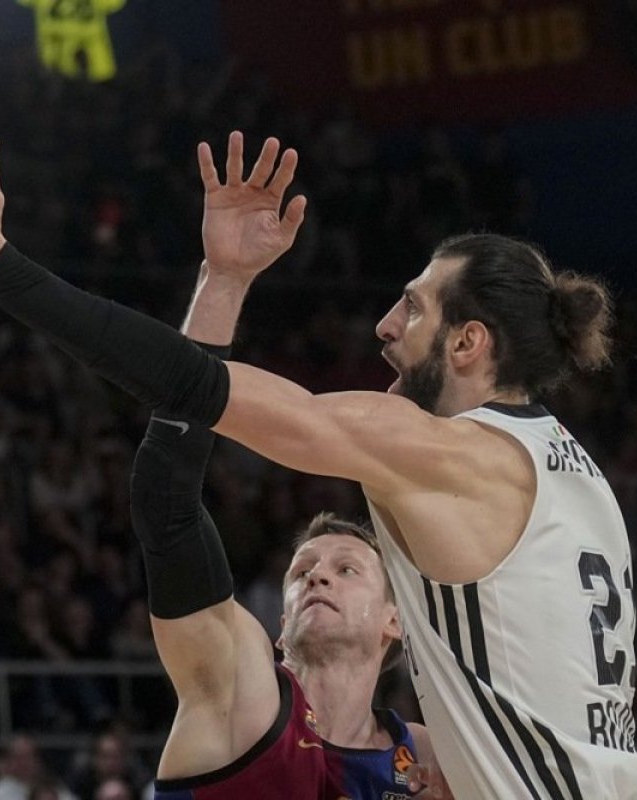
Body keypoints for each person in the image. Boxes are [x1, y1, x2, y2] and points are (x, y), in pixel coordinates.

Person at [0, 130, 637, 798]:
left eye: (412, 308)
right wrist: (224, 280)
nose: (386, 326)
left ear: (468, 342)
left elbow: (191, 387)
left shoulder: (451, 452)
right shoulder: (579, 479)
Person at [126, 212, 445, 797]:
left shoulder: (428, 761)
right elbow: (164, 500)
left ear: (395, 620)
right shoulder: (240, 691)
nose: (317, 577)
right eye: (302, 572)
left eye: (346, 570)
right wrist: (224, 281)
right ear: (280, 626)